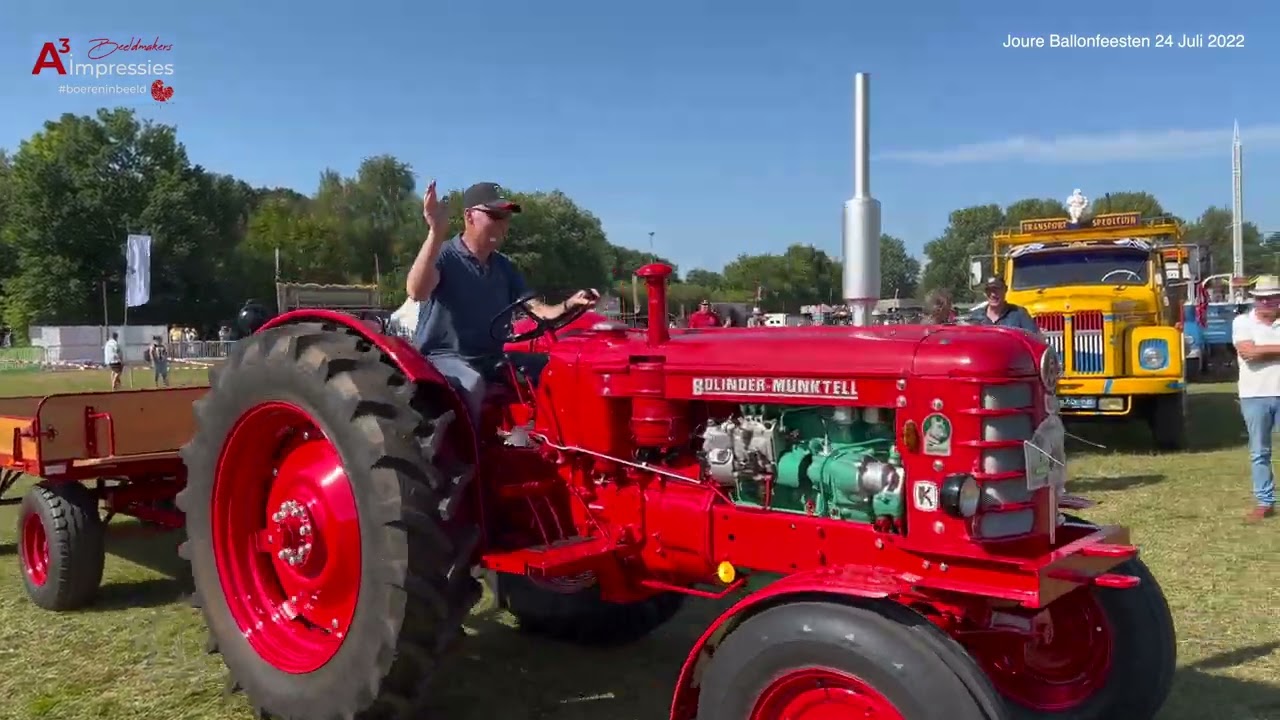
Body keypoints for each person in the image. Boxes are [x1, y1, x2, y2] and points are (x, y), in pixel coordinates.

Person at [405, 180, 599, 427]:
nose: (503, 223)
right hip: (444, 357)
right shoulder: (444, 255)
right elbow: (416, 291)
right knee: (471, 383)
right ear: (469, 216)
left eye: (506, 217)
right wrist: (436, 232)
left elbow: (538, 310)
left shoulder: (504, 267)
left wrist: (571, 304)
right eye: (495, 215)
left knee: (560, 367)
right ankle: (468, 459)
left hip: (492, 357)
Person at [1231, 275, 1280, 523]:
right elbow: (1248, 352)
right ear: (1255, 300)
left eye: (1271, 298)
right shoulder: (1242, 321)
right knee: (1260, 451)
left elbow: (1255, 351)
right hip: (1254, 394)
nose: (1266, 302)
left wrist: (1263, 350)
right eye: (1261, 298)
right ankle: (1265, 501)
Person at [968, 276, 1040, 334]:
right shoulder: (976, 316)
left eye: (996, 290)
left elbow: (1035, 339)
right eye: (989, 290)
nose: (993, 294)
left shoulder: (1019, 314)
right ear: (984, 293)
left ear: (1005, 290)